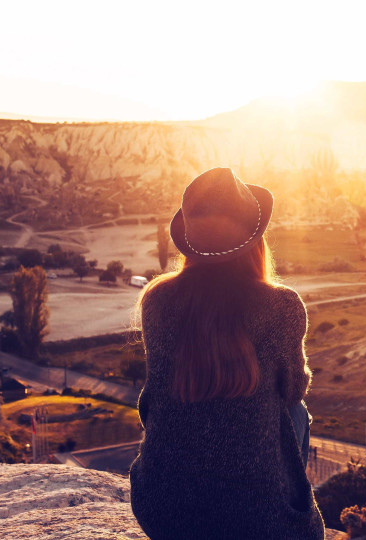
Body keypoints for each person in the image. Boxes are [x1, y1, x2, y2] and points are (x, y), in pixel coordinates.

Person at [129, 168, 325, 539]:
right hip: (260, 526)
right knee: (297, 413)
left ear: (189, 242)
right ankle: (280, 495)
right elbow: (292, 391)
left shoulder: (156, 301)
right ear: (255, 241)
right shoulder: (282, 306)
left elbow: (152, 400)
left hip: (163, 513)